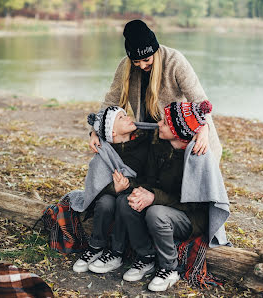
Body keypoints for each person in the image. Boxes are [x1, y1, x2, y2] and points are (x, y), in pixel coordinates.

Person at [88, 101, 230, 292]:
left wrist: (153, 197)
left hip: (190, 216)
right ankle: (145, 257)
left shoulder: (198, 156)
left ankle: (169, 268)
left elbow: (192, 204)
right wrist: (133, 188)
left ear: (177, 131)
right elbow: (148, 179)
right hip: (164, 204)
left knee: (155, 213)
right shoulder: (160, 146)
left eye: (164, 122)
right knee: (125, 201)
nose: (159, 124)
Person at [89, 19, 222, 164]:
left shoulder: (175, 61)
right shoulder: (125, 67)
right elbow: (111, 101)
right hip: (146, 131)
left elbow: (199, 100)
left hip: (174, 131)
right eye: (136, 61)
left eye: (146, 59)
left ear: (154, 50)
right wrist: (95, 131)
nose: (142, 65)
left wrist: (204, 129)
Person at [72, 106, 152, 273]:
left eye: (125, 114)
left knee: (124, 201)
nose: (128, 117)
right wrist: (113, 188)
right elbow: (95, 187)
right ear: (112, 133)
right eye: (121, 117)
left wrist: (128, 184)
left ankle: (116, 253)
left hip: (136, 192)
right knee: (105, 202)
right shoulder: (105, 152)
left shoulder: (143, 145)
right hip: (112, 192)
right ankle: (96, 246)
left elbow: (150, 177)